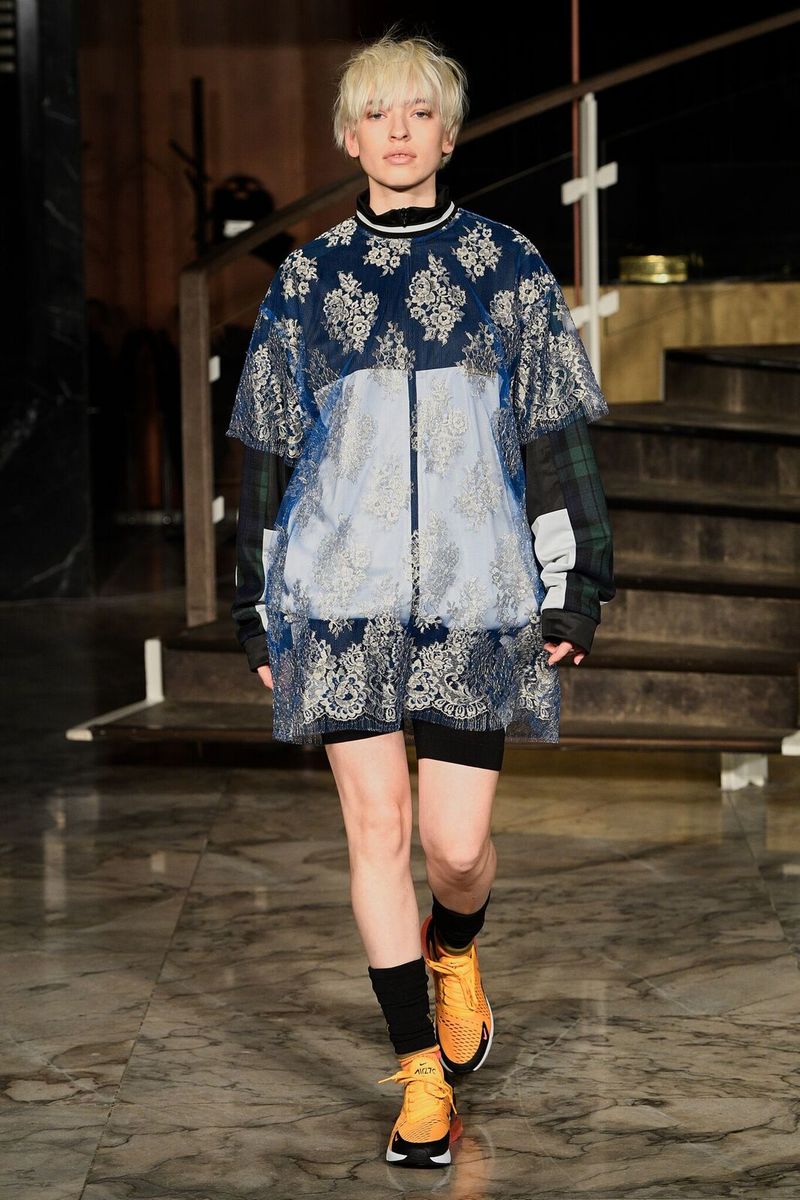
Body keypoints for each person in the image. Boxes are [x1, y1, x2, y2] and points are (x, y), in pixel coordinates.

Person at [226, 28, 615, 1170]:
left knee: (454, 845)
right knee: (376, 828)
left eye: (419, 113)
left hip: (471, 590)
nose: (397, 131)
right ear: (348, 139)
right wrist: (256, 602)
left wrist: (573, 582)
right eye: (376, 114)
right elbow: (266, 452)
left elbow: (553, 434)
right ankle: (418, 1080)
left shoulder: (507, 267)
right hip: (338, 591)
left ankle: (455, 946)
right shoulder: (307, 280)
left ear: (447, 135)